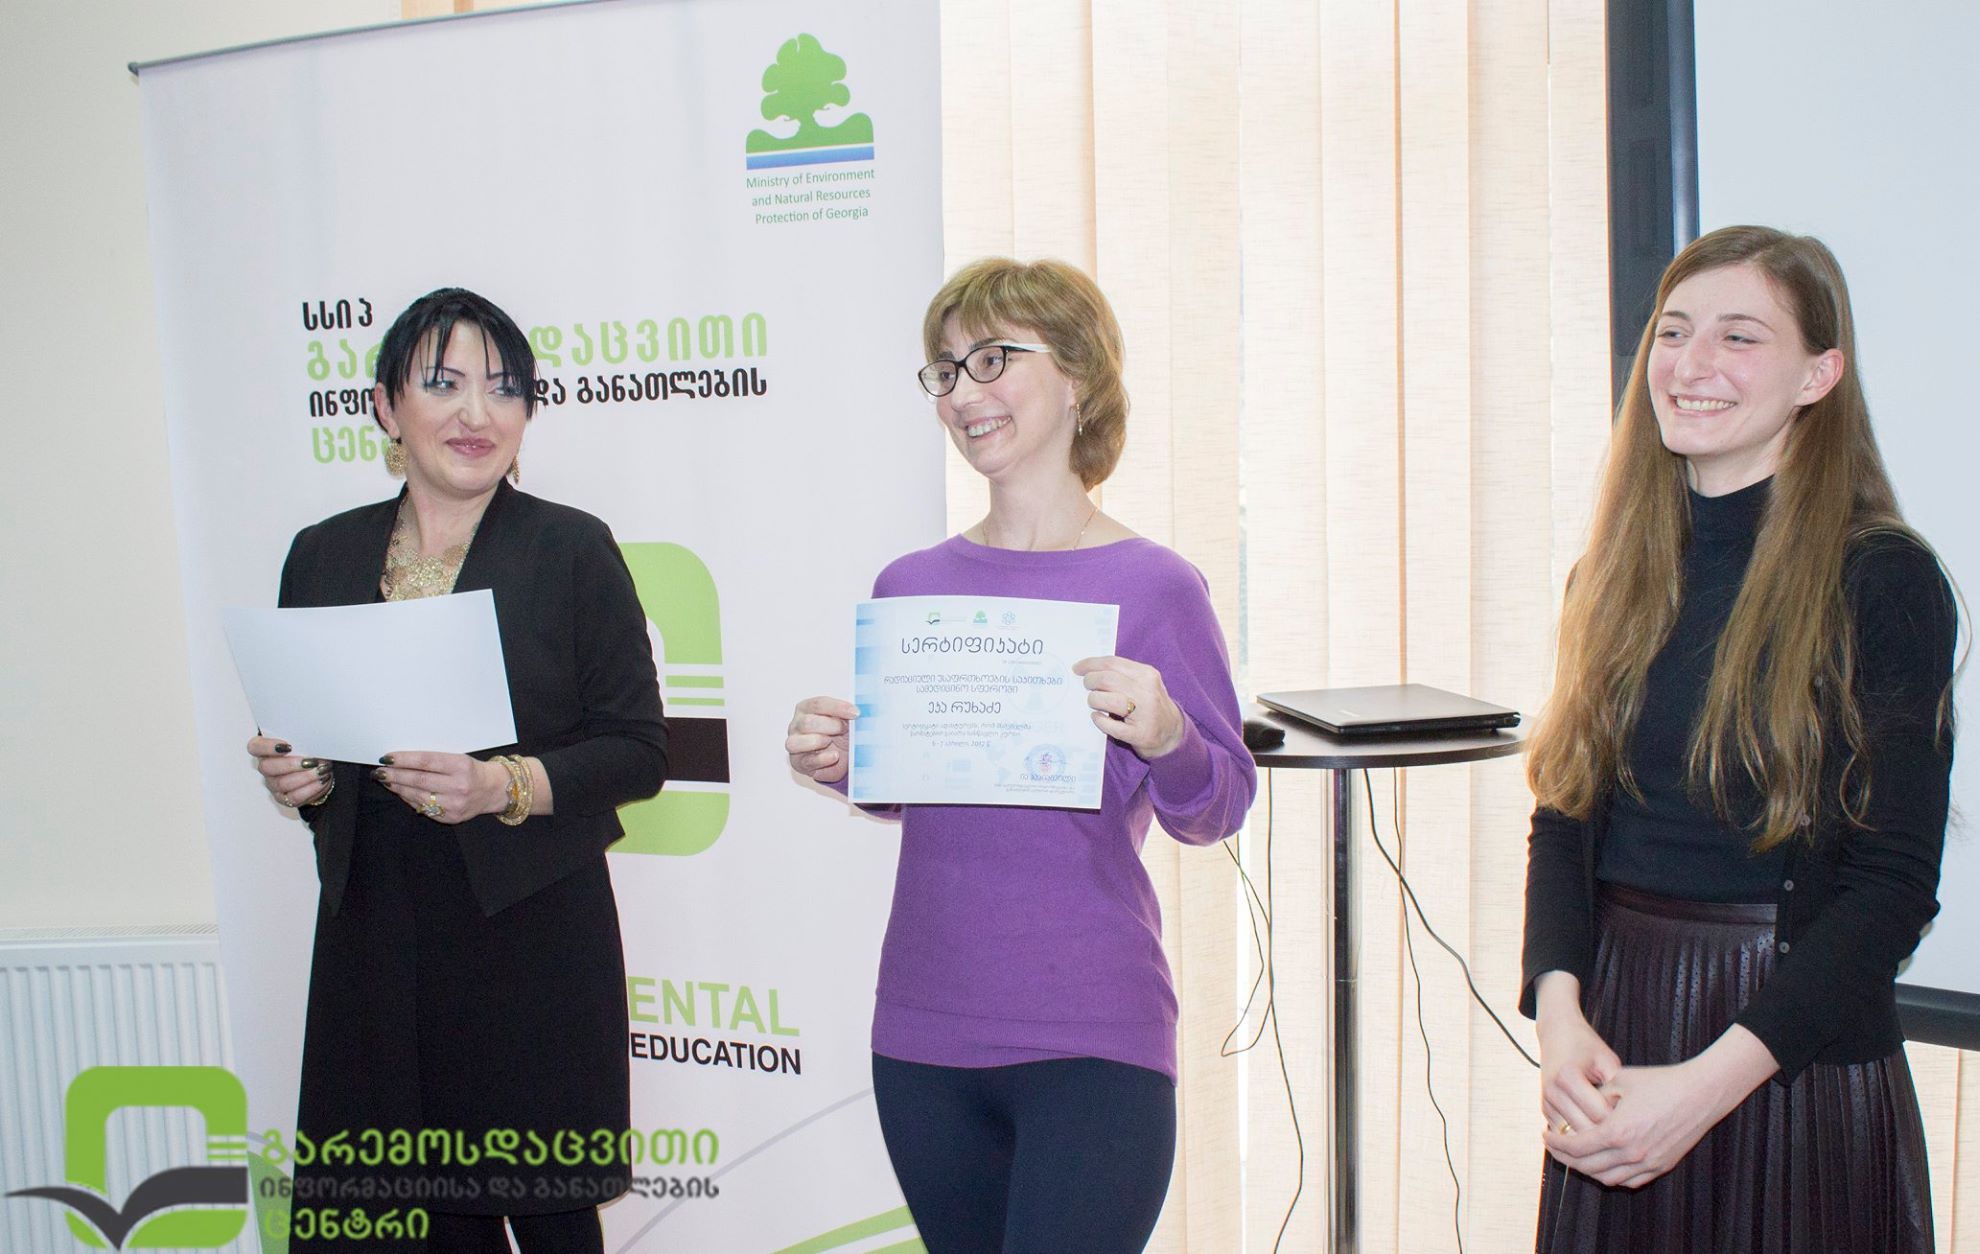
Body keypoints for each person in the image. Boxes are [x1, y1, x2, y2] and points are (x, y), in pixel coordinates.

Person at [783, 258, 1257, 1253]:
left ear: (1078, 374)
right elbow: (927, 784)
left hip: (1092, 1036)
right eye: (946, 369)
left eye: (993, 359)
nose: (963, 392)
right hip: (922, 1033)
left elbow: (1216, 807)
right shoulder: (911, 585)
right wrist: (851, 763)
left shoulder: (1157, 586)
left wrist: (1170, 737)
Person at [1520, 227, 1959, 1253]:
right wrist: (1560, 1019)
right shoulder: (1607, 578)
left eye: (1738, 336)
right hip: (1619, 1036)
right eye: (1672, 332)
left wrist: (1703, 1091)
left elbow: (1892, 885)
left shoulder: (1881, 579)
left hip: (1786, 1053)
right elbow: (1564, 816)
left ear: (1818, 375)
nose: (1690, 363)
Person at [247, 287, 666, 1254]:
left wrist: (500, 786)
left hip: (528, 944)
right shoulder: (322, 555)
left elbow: (639, 748)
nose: (478, 412)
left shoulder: (570, 548)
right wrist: (303, 779)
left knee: (546, 1218)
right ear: (387, 408)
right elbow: (314, 747)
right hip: (371, 947)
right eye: (444, 384)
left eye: (505, 387)